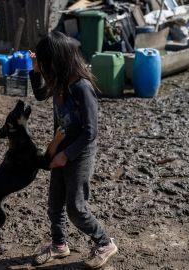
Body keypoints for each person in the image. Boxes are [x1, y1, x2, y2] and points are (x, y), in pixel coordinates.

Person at [29, 31, 118, 269]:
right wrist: (35, 69)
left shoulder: (81, 87)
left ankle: (104, 242)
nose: (46, 68)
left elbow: (91, 132)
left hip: (80, 153)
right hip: (62, 148)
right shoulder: (58, 82)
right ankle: (59, 245)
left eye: (46, 62)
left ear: (58, 60)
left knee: (76, 208)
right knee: (54, 204)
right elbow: (39, 95)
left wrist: (65, 156)